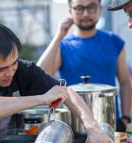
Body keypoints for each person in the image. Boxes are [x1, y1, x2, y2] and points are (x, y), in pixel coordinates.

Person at [0, 23, 110, 143]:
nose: (10, 72)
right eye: (1, 69)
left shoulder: (24, 70)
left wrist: (93, 128)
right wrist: (41, 99)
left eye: (14, 63)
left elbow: (66, 92)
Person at [37, 0, 132, 132]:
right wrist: (58, 36)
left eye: (91, 7)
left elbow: (125, 83)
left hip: (110, 120)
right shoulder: (63, 45)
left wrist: (125, 117)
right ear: (71, 11)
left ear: (99, 9)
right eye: (79, 8)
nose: (86, 13)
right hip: (75, 124)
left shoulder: (114, 41)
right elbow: (38, 76)